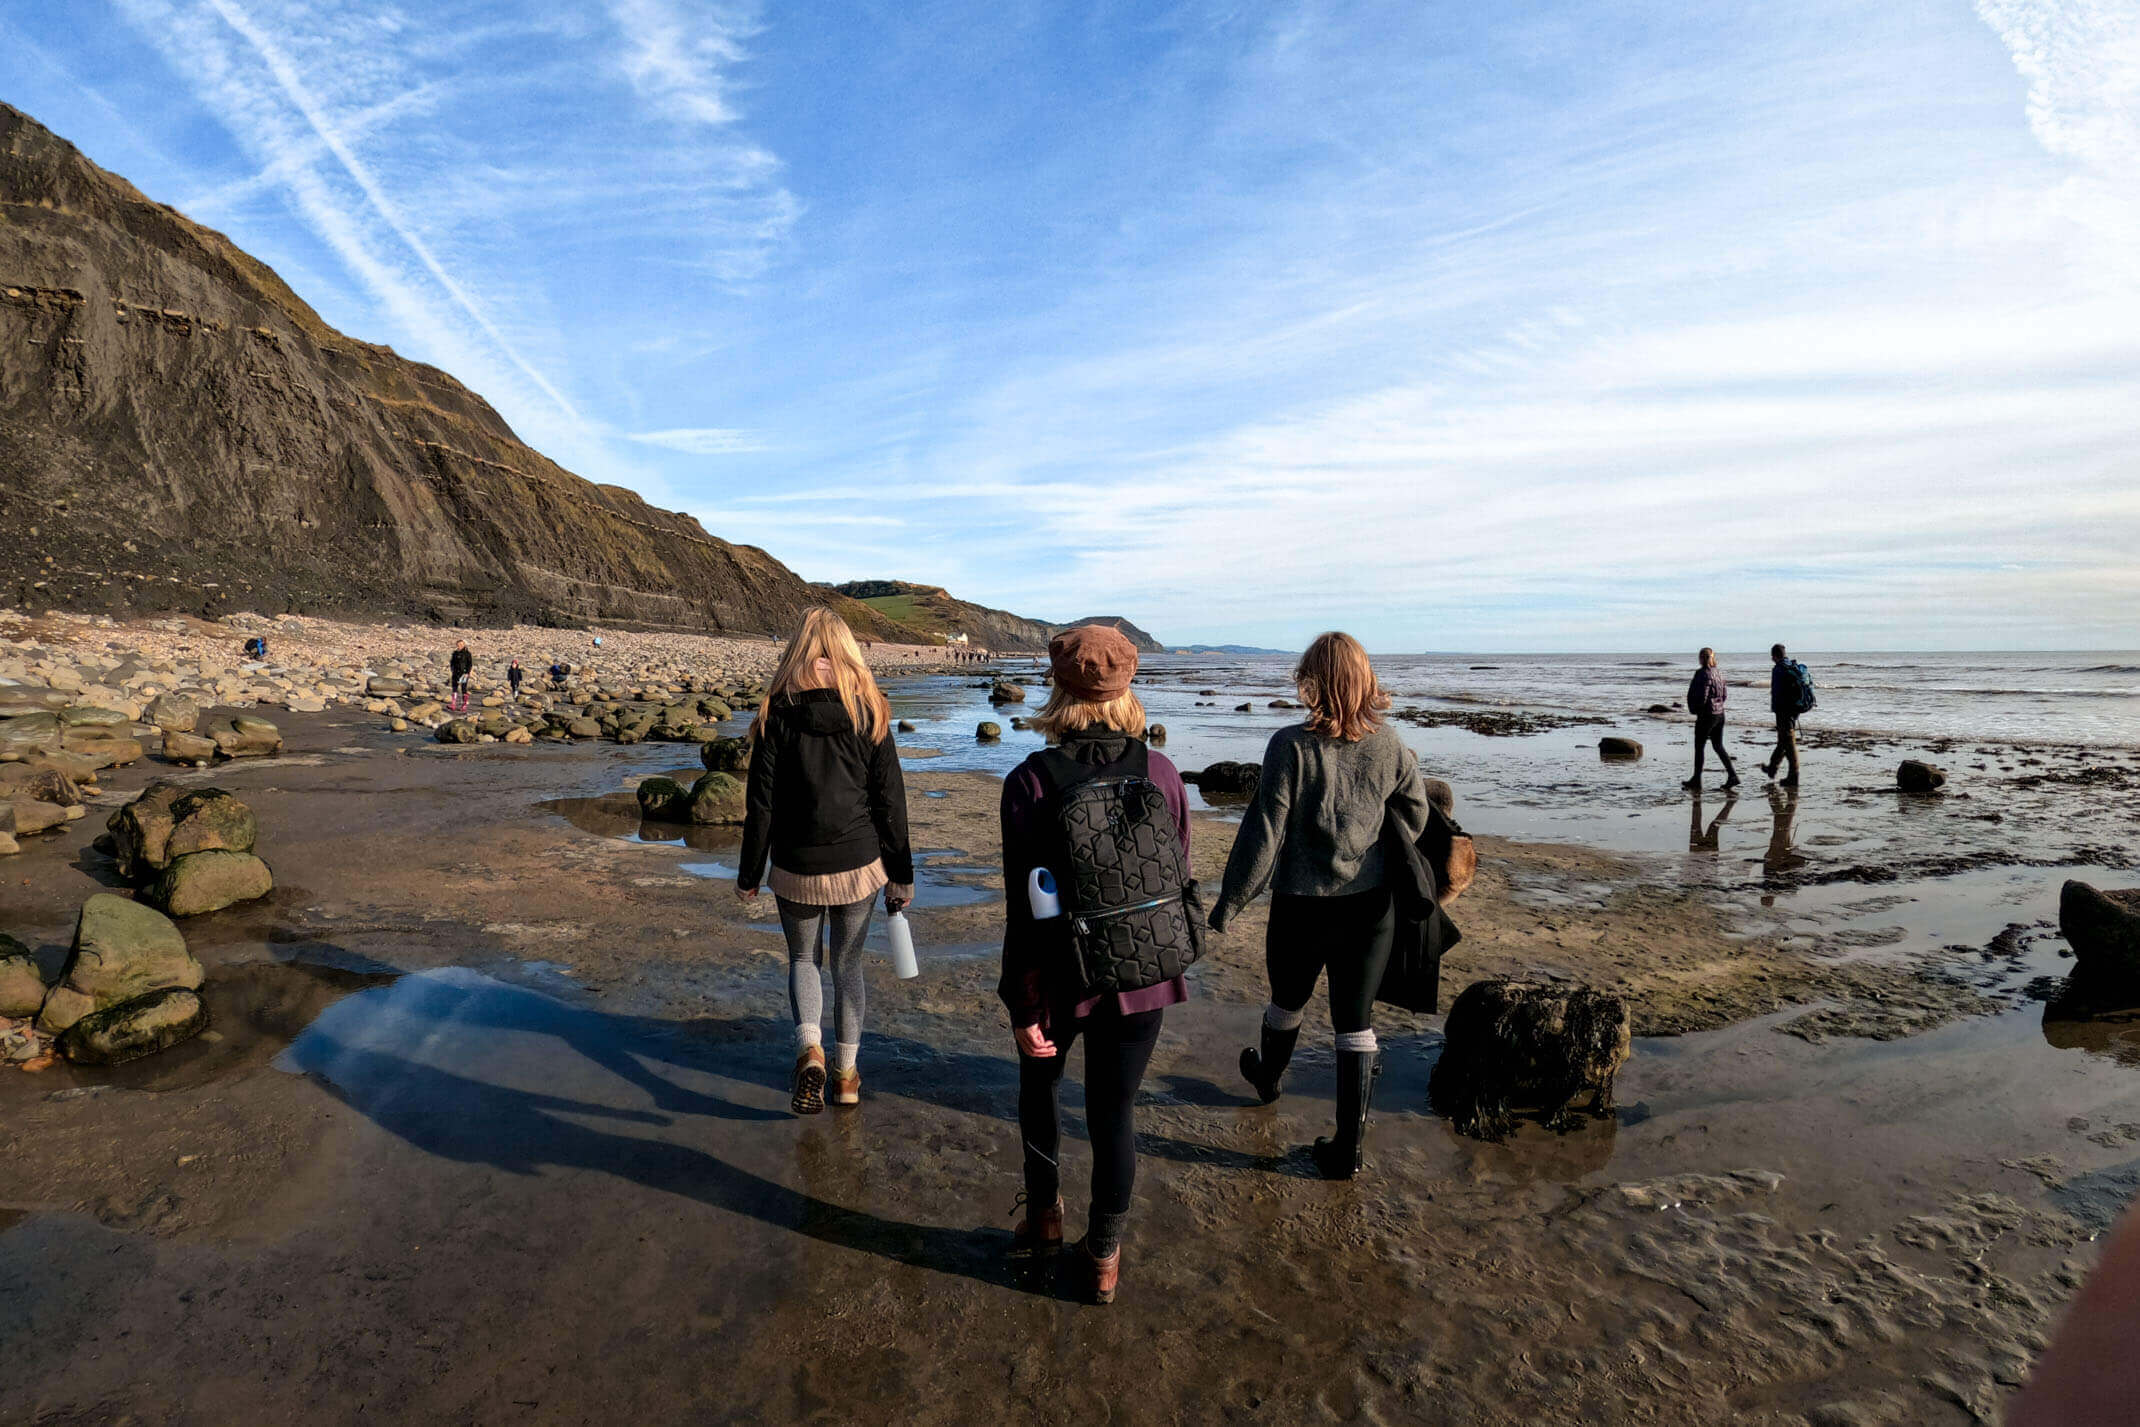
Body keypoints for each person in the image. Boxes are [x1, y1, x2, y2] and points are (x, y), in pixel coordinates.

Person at [998, 624, 1190, 1304]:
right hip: (1146, 976)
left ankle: (1045, 1214)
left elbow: (1025, 910)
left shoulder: (1027, 782)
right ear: (1126, 689)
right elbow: (1178, 877)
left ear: (1059, 688)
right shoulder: (1163, 773)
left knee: (1041, 1093)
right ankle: (1103, 1254)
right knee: (1115, 1112)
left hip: (1059, 978)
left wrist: (1022, 1005)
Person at [1211, 631, 1433, 1180]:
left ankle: (1267, 1078)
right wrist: (1378, 844)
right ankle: (1348, 1149)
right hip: (1370, 905)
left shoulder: (1289, 745)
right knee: (1355, 1022)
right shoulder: (1391, 745)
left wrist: (1230, 901)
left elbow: (1264, 834)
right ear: (1364, 681)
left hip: (1301, 905)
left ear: (1312, 683)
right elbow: (1417, 812)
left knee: (1287, 1000)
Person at [736, 608, 912, 1116]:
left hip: (795, 865)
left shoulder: (776, 713)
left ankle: (809, 1046)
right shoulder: (870, 712)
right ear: (848, 653)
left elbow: (761, 807)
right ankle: (847, 1075)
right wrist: (902, 874)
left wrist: (750, 875)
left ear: (798, 651)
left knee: (802, 960)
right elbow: (890, 802)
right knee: (848, 964)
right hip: (860, 863)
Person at [1683, 648, 1738, 790]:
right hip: (1720, 714)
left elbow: (1703, 696)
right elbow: (1724, 695)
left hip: (1707, 715)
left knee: (1699, 747)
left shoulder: (1702, 673)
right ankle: (1732, 775)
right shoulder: (1718, 673)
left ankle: (1697, 779)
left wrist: (1696, 709)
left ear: (1701, 658)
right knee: (1718, 746)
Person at [1763, 643, 1811, 787]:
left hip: (1784, 710)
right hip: (1794, 709)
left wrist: (1776, 709)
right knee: (1783, 740)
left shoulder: (1779, 669)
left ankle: (1794, 776)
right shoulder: (1791, 665)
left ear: (1774, 656)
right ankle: (1772, 768)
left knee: (1789, 743)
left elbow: (1777, 693)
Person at [449, 640, 473, 713]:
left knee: (463, 688)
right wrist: (452, 669)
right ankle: (453, 704)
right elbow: (452, 662)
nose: (460, 645)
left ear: (464, 645)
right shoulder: (455, 653)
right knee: (455, 687)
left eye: (461, 644)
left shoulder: (467, 653)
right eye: (458, 644)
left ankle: (464, 705)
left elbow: (470, 664)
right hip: (456, 673)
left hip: (464, 673)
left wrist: (467, 672)